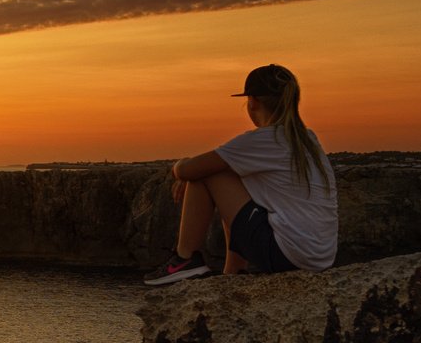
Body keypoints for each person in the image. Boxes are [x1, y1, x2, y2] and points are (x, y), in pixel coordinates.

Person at [144, 64, 337, 285]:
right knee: (227, 174)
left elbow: (187, 169)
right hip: (320, 258)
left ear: (252, 102)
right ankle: (234, 272)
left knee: (208, 174)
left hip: (287, 256)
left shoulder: (263, 139)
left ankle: (185, 259)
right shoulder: (308, 139)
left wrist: (182, 170)